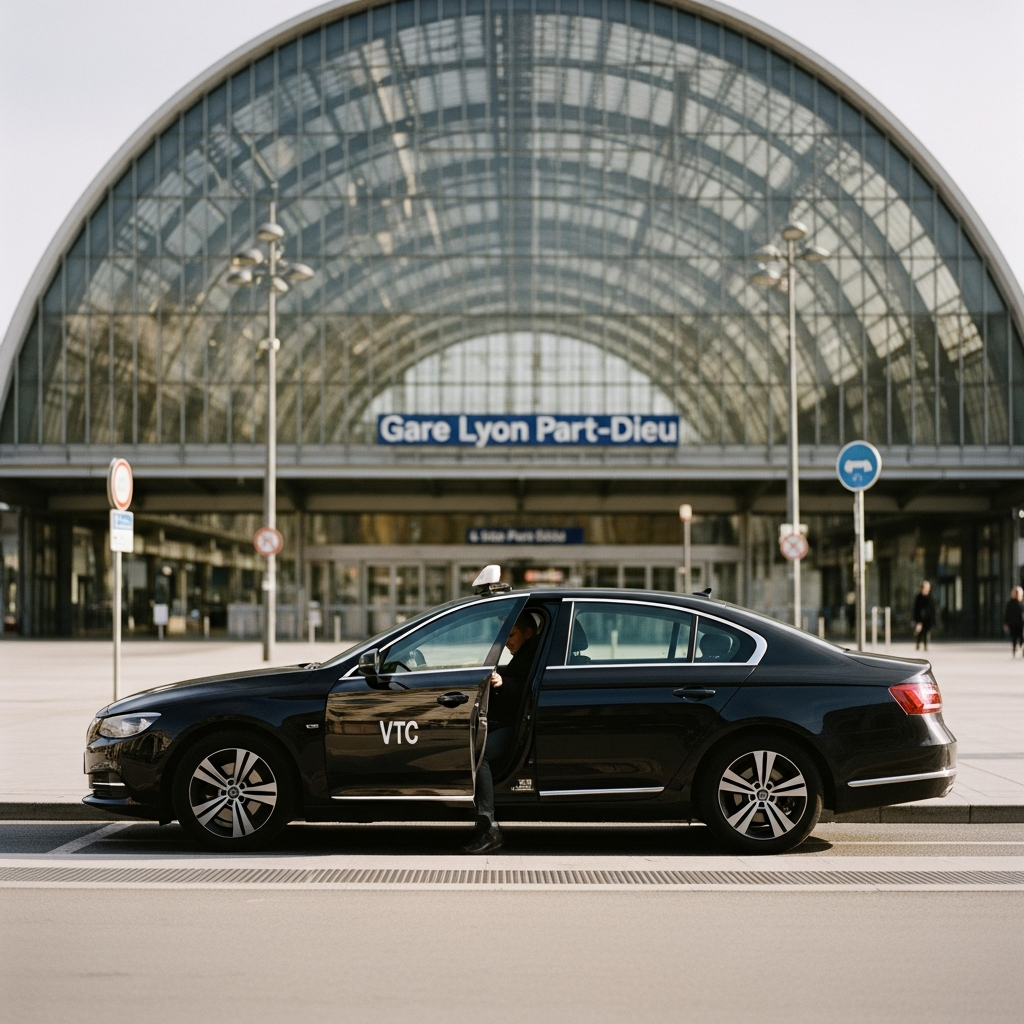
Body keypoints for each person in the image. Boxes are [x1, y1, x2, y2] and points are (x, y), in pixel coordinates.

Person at [462, 611, 541, 854]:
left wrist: (503, 682)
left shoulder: (532, 655)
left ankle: (489, 827)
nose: (507, 640)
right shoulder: (528, 653)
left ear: (528, 633)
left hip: (519, 727)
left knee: (480, 755)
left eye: (512, 634)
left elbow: (527, 690)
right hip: (513, 724)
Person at [912, 580, 937, 651]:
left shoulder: (930, 597)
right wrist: (916, 619)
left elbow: (933, 609)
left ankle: (926, 645)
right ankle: (918, 643)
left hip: (928, 618)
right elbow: (916, 609)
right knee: (919, 632)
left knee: (926, 632)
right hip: (920, 618)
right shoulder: (918, 597)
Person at [1003, 586, 1024, 657]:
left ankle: (1022, 648)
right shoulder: (1010, 603)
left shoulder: (1022, 603)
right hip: (1013, 623)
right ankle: (1014, 649)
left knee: (1022, 637)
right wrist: (1006, 622)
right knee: (1014, 637)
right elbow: (1007, 613)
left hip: (1021, 623)